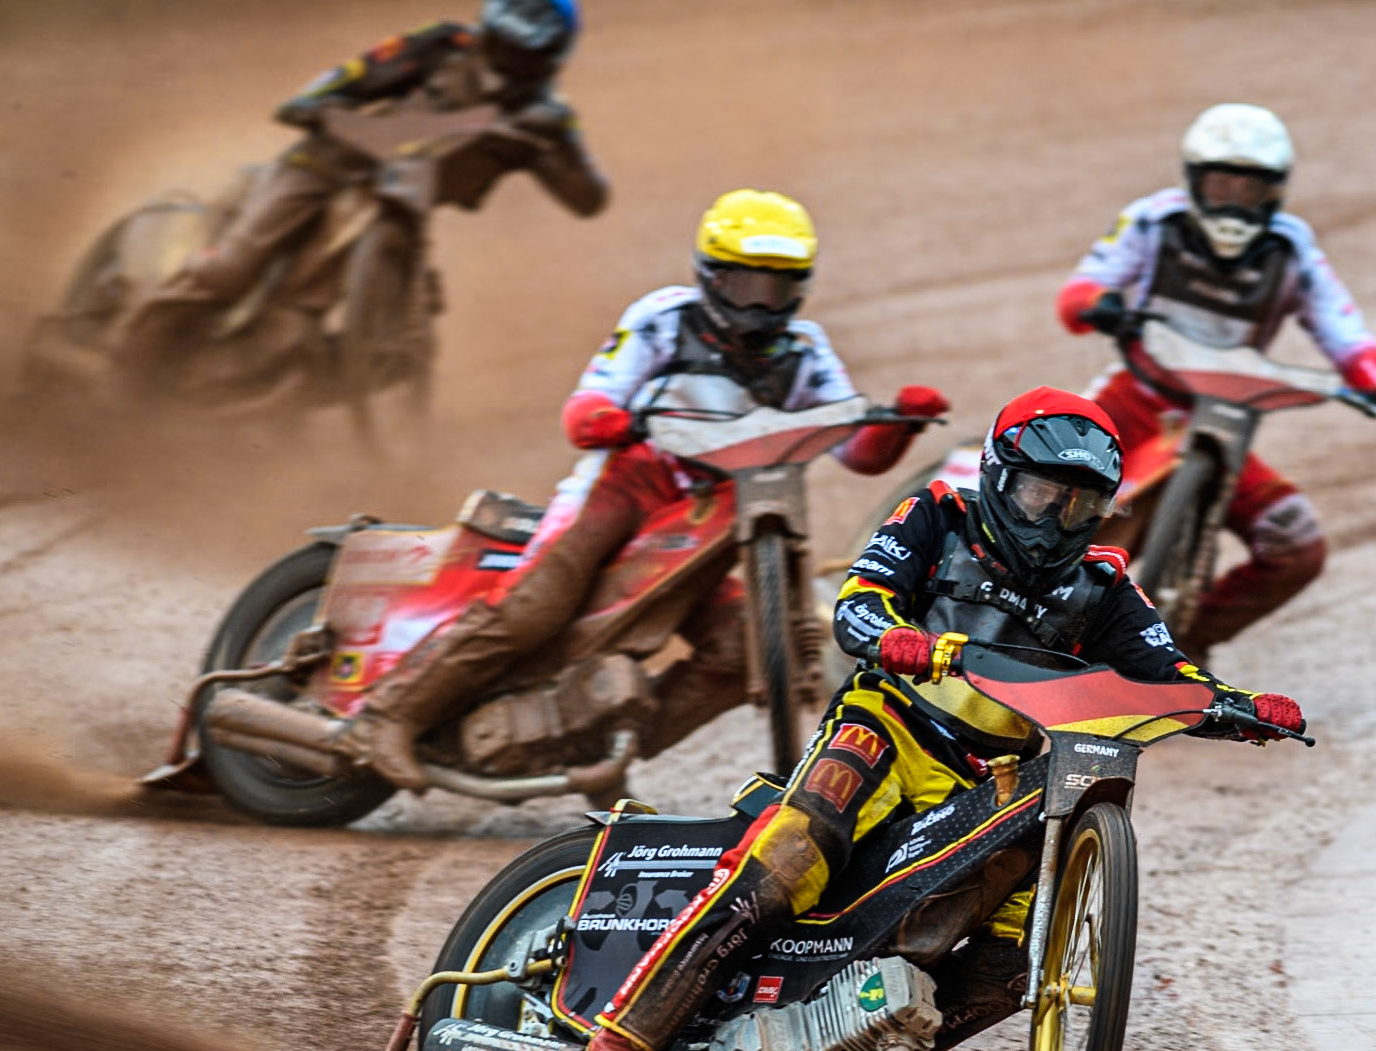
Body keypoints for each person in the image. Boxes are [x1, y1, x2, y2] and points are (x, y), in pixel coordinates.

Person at [570, 386, 1306, 1051]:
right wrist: (895, 635)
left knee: (1005, 969)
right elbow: (859, 600)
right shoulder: (936, 517)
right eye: (1042, 492)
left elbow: (1167, 676)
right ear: (997, 473)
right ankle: (620, 1042)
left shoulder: (1105, 585)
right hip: (886, 724)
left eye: (1080, 505)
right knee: (790, 855)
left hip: (995, 780)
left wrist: (1238, 706)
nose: (1055, 520)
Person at [331, 188, 951, 790]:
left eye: (778, 288)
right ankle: (386, 718)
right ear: (709, 274)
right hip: (628, 484)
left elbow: (851, 447)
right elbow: (592, 400)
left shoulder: (805, 350)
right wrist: (602, 416)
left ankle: (598, 737)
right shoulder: (662, 319)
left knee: (746, 651)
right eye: (745, 285)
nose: (761, 306)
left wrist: (898, 424)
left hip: (718, 516)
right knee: (534, 608)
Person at [112, 0, 608, 397]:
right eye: (503, 47)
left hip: (401, 204)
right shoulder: (440, 45)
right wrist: (319, 105)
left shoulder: (548, 117)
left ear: (548, 59)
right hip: (321, 169)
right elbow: (343, 80)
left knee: (404, 311)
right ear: (487, 32)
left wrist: (558, 149)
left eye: (523, 57)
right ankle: (125, 377)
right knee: (235, 267)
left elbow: (589, 199)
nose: (507, 64)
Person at [1055, 102, 1376, 663]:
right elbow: (1081, 291)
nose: (1232, 200)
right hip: (1127, 405)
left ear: (1274, 191)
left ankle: (1179, 646)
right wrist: (1099, 305)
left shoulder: (1292, 248)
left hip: (1220, 424)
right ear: (1194, 178)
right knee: (1043, 505)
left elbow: (1341, 327)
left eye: (1248, 188)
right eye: (1220, 183)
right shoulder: (1153, 219)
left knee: (1296, 545)